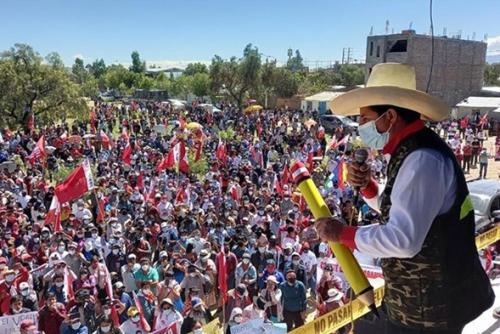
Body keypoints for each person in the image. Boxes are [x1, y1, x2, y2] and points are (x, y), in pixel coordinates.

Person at [318, 63, 494, 333]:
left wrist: (344, 234)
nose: (360, 126)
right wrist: (368, 187)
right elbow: (404, 211)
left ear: (389, 116)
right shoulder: (410, 152)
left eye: (365, 118)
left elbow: (403, 239)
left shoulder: (422, 160)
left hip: (429, 313)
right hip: (419, 306)